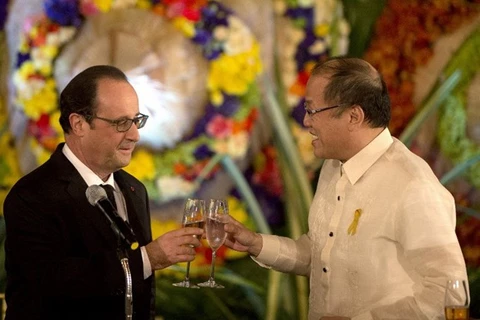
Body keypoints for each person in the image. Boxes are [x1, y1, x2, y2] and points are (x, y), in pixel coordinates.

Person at [224, 57, 469, 319]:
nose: (306, 121)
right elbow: (320, 255)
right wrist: (256, 244)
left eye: (312, 111)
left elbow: (449, 294)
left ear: (354, 116)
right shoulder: (333, 167)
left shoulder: (413, 186)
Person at [3, 65, 204, 320]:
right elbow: (50, 287)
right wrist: (146, 259)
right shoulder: (33, 195)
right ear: (78, 124)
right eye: (122, 123)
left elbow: (142, 295)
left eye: (136, 120)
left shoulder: (133, 190)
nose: (135, 135)